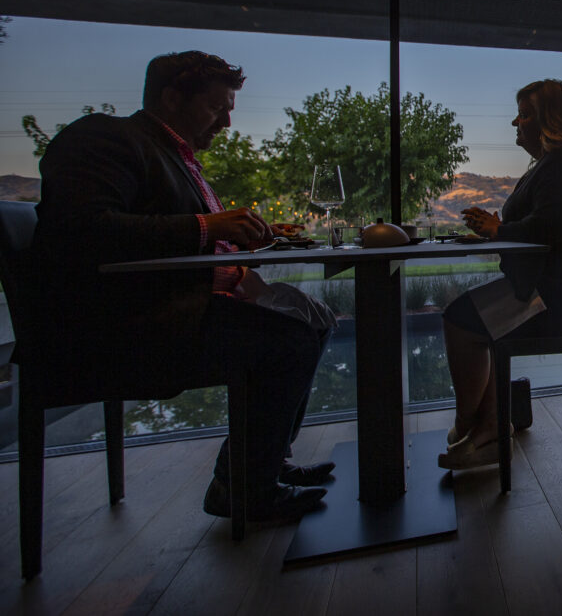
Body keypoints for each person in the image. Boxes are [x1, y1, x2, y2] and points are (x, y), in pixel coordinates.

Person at [30, 51, 335, 523]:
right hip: (124, 326)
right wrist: (209, 225)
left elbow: (182, 229)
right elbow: (83, 232)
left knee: (313, 320)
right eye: (217, 109)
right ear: (172, 98)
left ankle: (262, 466)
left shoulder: (175, 157)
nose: (227, 124)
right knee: (288, 341)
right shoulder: (104, 138)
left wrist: (236, 237)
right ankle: (245, 491)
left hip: (176, 307)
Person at [438, 79, 562, 470]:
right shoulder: (555, 166)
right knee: (469, 319)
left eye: (524, 115)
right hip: (559, 292)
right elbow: (548, 225)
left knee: (459, 321)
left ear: (548, 121)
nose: (514, 123)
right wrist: (498, 228)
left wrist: (497, 230)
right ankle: (487, 428)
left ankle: (471, 424)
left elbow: (547, 229)